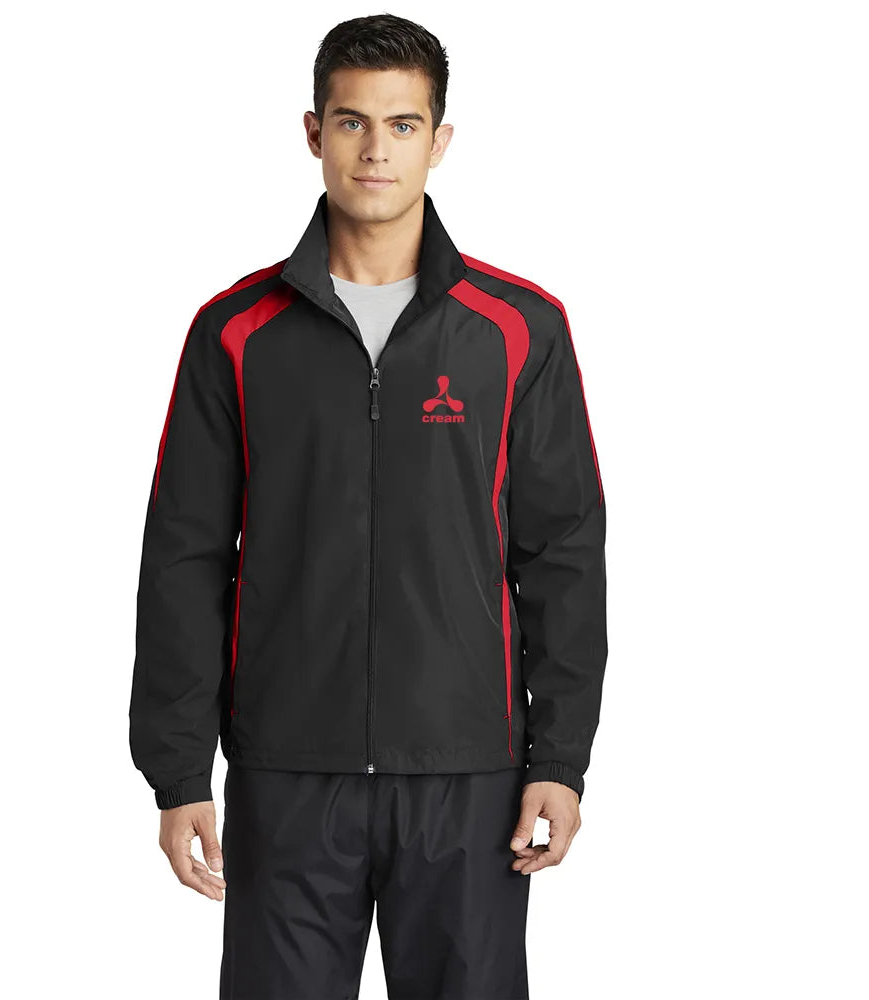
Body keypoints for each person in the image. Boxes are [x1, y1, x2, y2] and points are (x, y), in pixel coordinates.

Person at [129, 13, 607, 1000]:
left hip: (469, 773)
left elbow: (560, 551)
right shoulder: (236, 332)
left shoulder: (518, 329)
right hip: (286, 769)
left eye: (402, 124)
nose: (375, 149)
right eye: (351, 122)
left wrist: (559, 757)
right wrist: (178, 770)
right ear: (313, 132)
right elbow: (184, 555)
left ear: (440, 140)